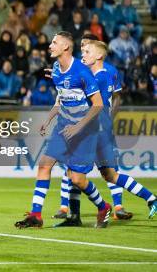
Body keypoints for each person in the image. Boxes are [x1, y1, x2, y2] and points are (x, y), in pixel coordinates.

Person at [54, 40, 157, 227]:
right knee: (110, 175)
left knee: (74, 172)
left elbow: (88, 103)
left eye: (87, 51)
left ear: (99, 56)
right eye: (82, 51)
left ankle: (78, 215)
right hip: (102, 129)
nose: (82, 55)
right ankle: (151, 199)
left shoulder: (97, 77)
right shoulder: (104, 74)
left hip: (92, 130)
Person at [15, 32, 110, 229]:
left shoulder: (82, 72)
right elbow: (61, 99)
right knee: (44, 165)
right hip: (63, 128)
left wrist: (78, 126)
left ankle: (103, 206)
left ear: (66, 47)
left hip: (84, 131)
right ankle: (36, 214)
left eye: (54, 42)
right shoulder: (57, 69)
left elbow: (98, 104)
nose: (50, 45)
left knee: (77, 179)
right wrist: (48, 120)